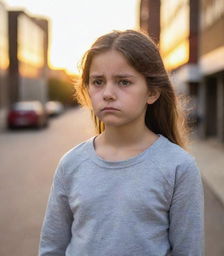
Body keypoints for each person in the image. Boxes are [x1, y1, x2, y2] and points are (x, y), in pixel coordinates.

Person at [39, 30, 204, 256]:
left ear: (153, 91)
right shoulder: (71, 163)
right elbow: (51, 248)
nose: (107, 93)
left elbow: (188, 251)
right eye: (98, 81)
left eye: (123, 82)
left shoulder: (178, 167)